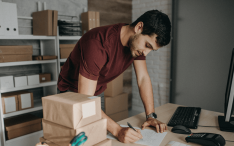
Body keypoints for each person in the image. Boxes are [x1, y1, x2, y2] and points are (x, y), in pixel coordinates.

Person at [58, 10, 171, 143]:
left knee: (98, 138)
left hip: (94, 92)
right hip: (71, 93)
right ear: (139, 27)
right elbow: (85, 101)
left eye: (151, 50)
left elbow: (143, 79)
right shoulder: (98, 43)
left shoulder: (135, 43)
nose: (145, 53)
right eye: (147, 46)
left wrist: (150, 116)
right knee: (72, 141)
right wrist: (117, 130)